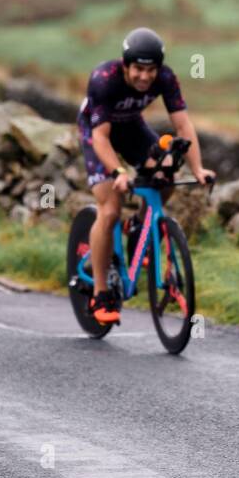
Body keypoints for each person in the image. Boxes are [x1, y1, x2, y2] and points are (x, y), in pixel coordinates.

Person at [77, 27, 214, 324]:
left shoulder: (166, 78)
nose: (144, 76)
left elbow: (183, 127)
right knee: (111, 207)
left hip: (130, 128)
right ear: (125, 65)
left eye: (151, 70)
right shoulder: (104, 80)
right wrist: (118, 171)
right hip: (97, 133)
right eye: (138, 69)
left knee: (165, 174)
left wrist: (197, 168)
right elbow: (101, 138)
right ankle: (101, 292)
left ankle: (140, 227)